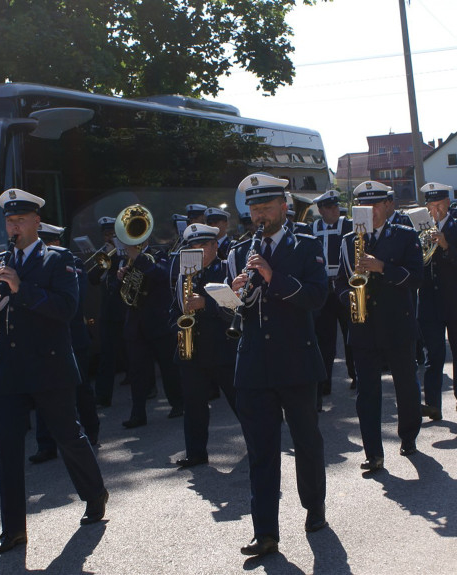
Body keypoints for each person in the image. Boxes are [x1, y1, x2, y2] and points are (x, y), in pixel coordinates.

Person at [0, 189, 108, 556]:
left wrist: (21, 289)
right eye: (9, 221)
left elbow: (66, 309)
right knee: (7, 449)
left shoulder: (59, 259)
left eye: (20, 220)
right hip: (7, 369)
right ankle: (13, 530)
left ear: (37, 222)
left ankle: (94, 492)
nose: (13, 227)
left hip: (48, 365)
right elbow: (0, 312)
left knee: (67, 435)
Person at [228, 172, 329, 556]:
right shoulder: (239, 251)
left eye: (266, 207)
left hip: (296, 361)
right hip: (254, 365)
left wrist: (275, 277)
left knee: (306, 441)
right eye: (254, 208)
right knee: (261, 451)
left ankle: (314, 506)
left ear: (284, 208)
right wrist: (232, 296)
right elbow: (234, 312)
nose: (259, 215)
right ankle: (265, 531)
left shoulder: (305, 247)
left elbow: (317, 298)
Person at [336, 180, 423, 470]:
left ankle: (408, 436)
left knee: (406, 384)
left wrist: (382, 267)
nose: (369, 212)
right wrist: (348, 295)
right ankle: (373, 452)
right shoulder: (349, 240)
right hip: (363, 326)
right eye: (363, 206)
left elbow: (417, 279)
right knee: (366, 391)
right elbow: (338, 284)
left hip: (397, 322)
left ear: (387, 206)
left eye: (375, 205)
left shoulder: (405, 235)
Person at [29, 223, 101, 463]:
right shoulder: (33, 267)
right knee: (43, 390)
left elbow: (73, 303)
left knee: (79, 389)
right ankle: (45, 444)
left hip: (72, 336)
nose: (45, 248)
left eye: (49, 243)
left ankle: (91, 432)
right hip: (42, 339)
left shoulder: (73, 263)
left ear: (57, 243)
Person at [169, 224, 238, 468]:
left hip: (221, 348)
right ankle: (196, 452)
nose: (197, 251)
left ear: (215, 246)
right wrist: (178, 327)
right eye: (193, 247)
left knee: (240, 400)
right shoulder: (183, 274)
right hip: (192, 349)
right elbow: (174, 308)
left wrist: (204, 305)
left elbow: (232, 309)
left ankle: (258, 441)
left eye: (202, 246)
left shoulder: (224, 271)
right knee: (193, 404)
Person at [117, 210, 184, 428]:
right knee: (137, 371)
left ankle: (178, 404)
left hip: (158, 322)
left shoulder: (159, 253)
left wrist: (138, 259)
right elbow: (123, 293)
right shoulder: (124, 260)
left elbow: (162, 275)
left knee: (168, 368)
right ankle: (138, 414)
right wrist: (121, 277)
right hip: (136, 325)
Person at [417, 182, 457, 416]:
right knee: (433, 354)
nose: (435, 210)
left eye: (439, 204)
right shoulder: (420, 229)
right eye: (431, 205)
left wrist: (445, 245)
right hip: (430, 300)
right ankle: (433, 403)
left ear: (448, 204)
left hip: (456, 299)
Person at [309, 189, 356, 403]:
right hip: (323, 287)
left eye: (336, 206)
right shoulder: (313, 228)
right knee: (324, 337)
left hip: (343, 284)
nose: (334, 210)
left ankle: (356, 375)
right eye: (329, 207)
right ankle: (324, 381)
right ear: (320, 210)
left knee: (351, 333)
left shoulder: (349, 225)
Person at [88, 216, 126, 407]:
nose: (109, 238)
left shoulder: (127, 252)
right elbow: (93, 278)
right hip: (109, 312)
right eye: (106, 234)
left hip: (127, 312)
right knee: (107, 355)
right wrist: (105, 256)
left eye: (112, 234)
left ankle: (147, 388)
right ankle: (103, 396)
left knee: (136, 353)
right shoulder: (105, 255)